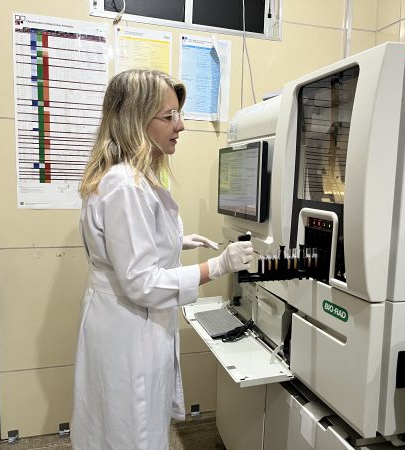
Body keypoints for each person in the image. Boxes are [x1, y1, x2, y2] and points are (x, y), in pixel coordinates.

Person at [71, 69, 254, 450]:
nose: (180, 125)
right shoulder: (126, 185)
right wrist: (216, 267)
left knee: (119, 426)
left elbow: (121, 247)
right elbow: (141, 282)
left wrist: (174, 242)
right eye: (169, 116)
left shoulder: (123, 177)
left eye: (178, 114)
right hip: (129, 329)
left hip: (119, 321)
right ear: (135, 120)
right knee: (133, 432)